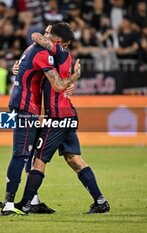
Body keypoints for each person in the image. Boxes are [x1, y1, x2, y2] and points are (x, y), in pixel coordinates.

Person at [15, 30, 110, 214]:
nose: (45, 35)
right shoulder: (57, 57)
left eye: (50, 33)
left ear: (59, 41)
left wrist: (73, 78)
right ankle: (100, 201)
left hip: (57, 117)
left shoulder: (59, 51)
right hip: (68, 113)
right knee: (74, 158)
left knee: (39, 161)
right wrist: (19, 67)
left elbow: (35, 36)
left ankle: (25, 204)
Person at [0, 22, 81, 216]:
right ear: (59, 42)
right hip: (25, 108)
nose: (65, 49)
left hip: (27, 107)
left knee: (32, 153)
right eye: (65, 45)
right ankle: (8, 204)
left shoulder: (32, 48)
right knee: (20, 154)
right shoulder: (43, 53)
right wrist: (75, 76)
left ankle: (33, 201)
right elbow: (58, 85)